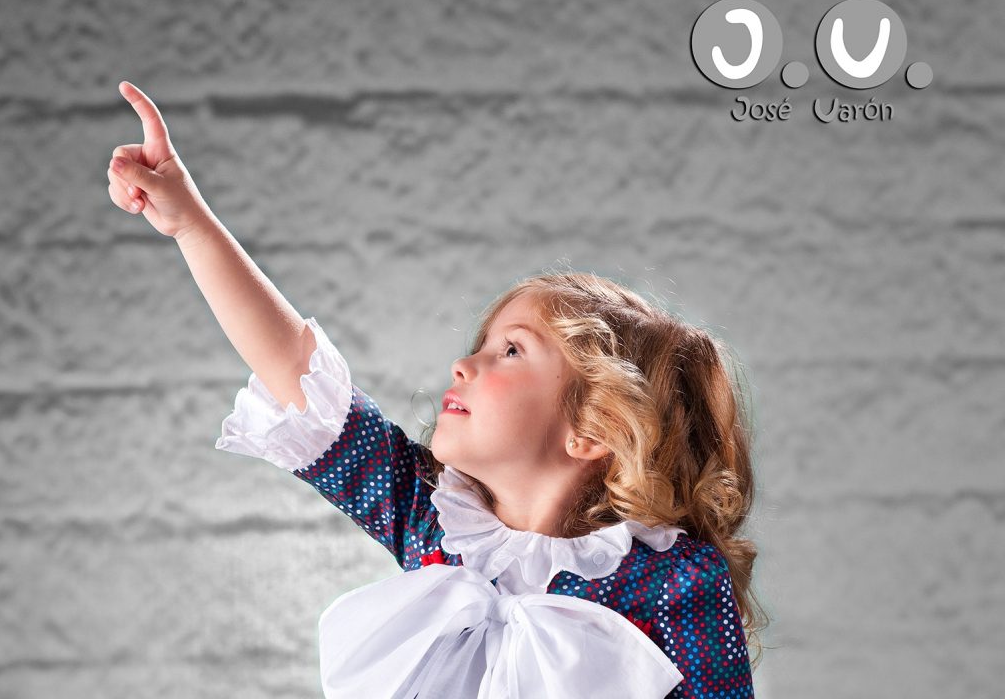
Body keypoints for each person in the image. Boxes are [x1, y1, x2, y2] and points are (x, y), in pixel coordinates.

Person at [107, 80, 768, 698]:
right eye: (482, 344)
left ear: (593, 429)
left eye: (511, 351)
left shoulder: (677, 583)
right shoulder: (435, 521)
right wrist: (190, 223)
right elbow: (296, 371)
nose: (463, 364)